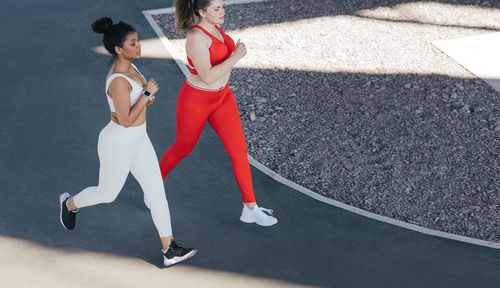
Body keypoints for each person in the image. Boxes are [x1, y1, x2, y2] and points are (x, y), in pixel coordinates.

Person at [59, 17, 196, 267]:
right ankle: (69, 203)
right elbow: (124, 120)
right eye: (133, 43)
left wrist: (145, 99)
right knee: (107, 194)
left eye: (138, 41)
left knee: (157, 194)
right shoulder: (118, 81)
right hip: (118, 144)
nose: (139, 46)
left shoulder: (132, 68)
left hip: (139, 140)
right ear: (118, 50)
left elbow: (137, 108)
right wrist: (147, 94)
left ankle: (169, 249)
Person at [154, 0, 277, 226]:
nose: (223, 11)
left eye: (222, 6)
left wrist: (232, 58)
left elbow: (219, 69)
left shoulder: (216, 29)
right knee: (182, 148)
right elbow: (207, 76)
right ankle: (152, 188)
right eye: (217, 8)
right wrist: (236, 56)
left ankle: (250, 208)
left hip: (223, 97)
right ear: (202, 11)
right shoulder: (196, 37)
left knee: (239, 151)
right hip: (196, 101)